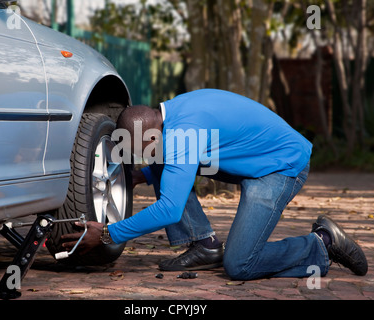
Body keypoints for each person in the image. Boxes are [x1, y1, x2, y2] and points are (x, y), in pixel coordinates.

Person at [62, 89, 368, 280]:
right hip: (256, 161)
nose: (146, 157)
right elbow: (181, 159)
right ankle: (205, 246)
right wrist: (144, 176)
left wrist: (106, 233)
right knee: (163, 165)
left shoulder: (185, 133)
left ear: (153, 133)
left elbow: (169, 209)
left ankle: (323, 243)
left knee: (240, 265)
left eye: (146, 150)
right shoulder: (172, 116)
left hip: (281, 167)